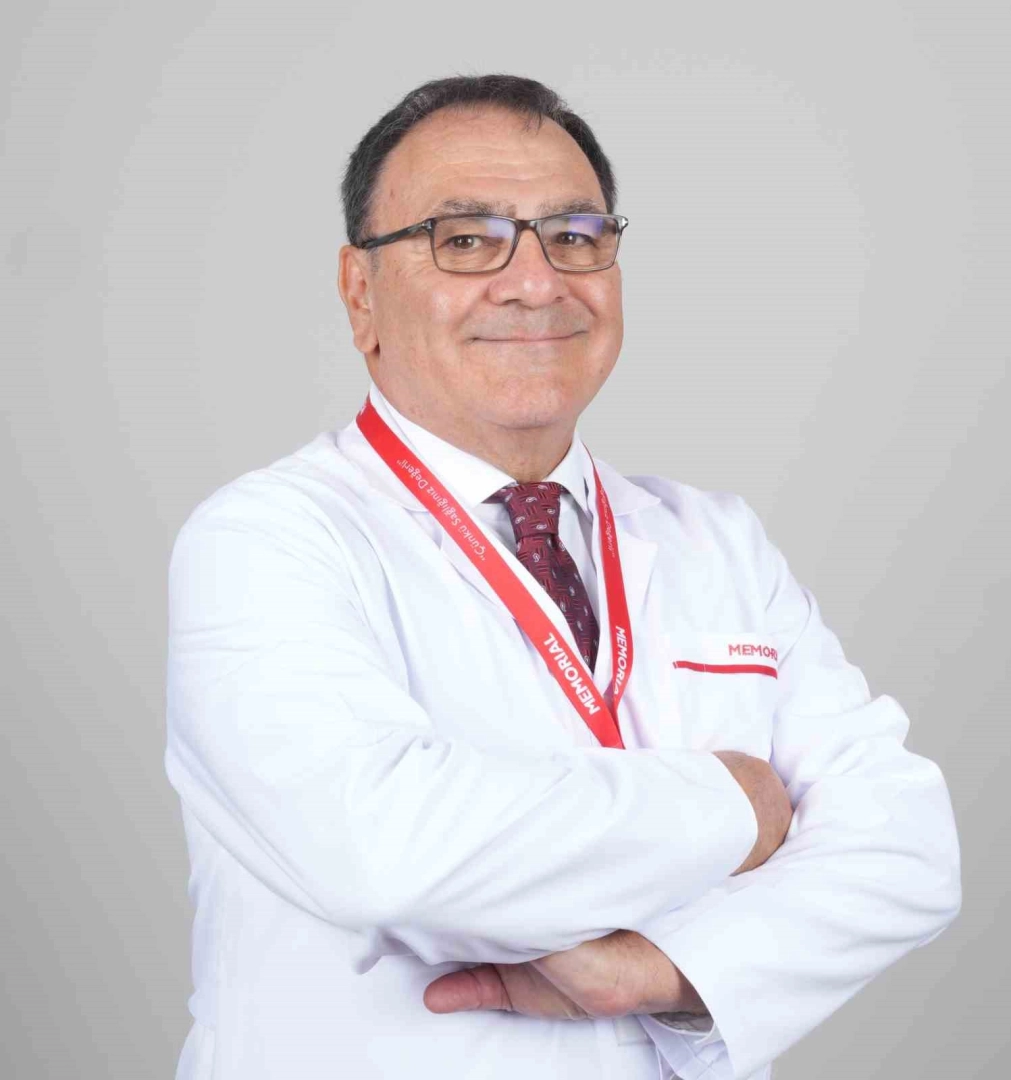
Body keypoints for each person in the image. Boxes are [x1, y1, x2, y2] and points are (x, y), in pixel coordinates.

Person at [164, 74, 961, 1080]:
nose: (536, 284)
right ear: (360, 291)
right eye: (466, 240)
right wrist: (741, 803)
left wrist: (659, 971)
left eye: (575, 236)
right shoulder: (266, 540)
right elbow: (387, 848)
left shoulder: (715, 541)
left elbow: (908, 847)